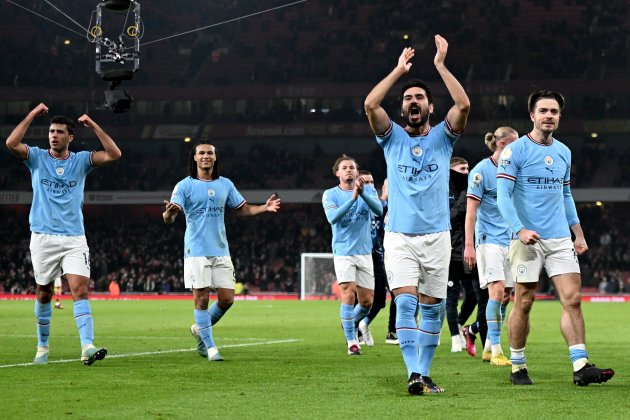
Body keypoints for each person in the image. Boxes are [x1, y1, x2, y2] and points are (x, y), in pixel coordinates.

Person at [364, 35, 470, 394]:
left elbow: (464, 104)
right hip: (399, 236)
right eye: (408, 98)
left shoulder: (443, 138)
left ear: (430, 108)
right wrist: (398, 71)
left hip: (438, 236)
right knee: (406, 301)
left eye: (420, 98)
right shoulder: (391, 138)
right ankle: (413, 373)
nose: (413, 101)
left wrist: (440, 65)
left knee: (432, 309)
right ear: (402, 108)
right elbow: (370, 103)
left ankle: (423, 373)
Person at [497, 90, 615, 386]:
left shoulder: (564, 151)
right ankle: (518, 365)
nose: (549, 115)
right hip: (526, 239)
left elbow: (565, 195)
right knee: (524, 302)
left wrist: (578, 231)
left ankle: (581, 364)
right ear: (532, 116)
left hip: (560, 237)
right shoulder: (515, 151)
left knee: (573, 300)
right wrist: (519, 229)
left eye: (554, 111)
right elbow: (502, 196)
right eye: (544, 110)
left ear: (559, 117)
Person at [6, 103, 121, 365]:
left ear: (70, 137)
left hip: (73, 238)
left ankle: (87, 347)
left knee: (80, 291)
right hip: (43, 237)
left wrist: (93, 125)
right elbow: (12, 143)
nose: (54, 135)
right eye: (51, 131)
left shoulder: (81, 160)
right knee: (44, 292)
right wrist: (33, 114)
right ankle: (42, 347)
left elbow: (114, 154)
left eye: (59, 132)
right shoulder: (36, 157)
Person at [163, 140, 280, 362]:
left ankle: (199, 329)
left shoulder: (225, 184)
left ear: (215, 158)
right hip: (196, 250)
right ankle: (211, 347)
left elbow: (241, 209)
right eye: (201, 153)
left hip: (221, 250)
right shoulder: (184, 186)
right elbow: (170, 217)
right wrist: (168, 214)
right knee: (202, 300)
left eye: (210, 153)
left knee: (227, 299)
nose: (206, 156)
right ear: (195, 158)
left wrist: (264, 208)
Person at [464, 127, 519, 367]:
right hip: (489, 240)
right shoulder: (481, 171)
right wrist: (469, 244)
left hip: (511, 239)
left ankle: (486, 347)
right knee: (495, 293)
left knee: (507, 296)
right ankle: (496, 348)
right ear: (502, 145)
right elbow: (471, 212)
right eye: (514, 146)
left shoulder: (516, 171)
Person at [322, 156, 383, 355]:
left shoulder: (369, 189)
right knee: (348, 293)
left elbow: (379, 210)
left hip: (365, 252)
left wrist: (363, 194)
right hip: (343, 252)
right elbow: (332, 218)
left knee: (366, 302)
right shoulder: (330, 195)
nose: (349, 170)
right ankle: (351, 342)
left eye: (352, 168)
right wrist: (353, 198)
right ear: (337, 173)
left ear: (357, 173)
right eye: (344, 168)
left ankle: (348, 323)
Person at [355, 174, 397, 346]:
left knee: (380, 300)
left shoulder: (382, 205)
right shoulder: (356, 204)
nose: (370, 184)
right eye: (366, 182)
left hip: (377, 255)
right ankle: (353, 333)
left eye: (373, 181)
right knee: (359, 298)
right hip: (359, 254)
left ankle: (363, 324)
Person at [443, 157, 480, 354]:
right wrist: (462, 203)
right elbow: (447, 217)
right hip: (448, 250)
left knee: (473, 295)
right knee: (451, 296)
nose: (466, 172)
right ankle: (455, 338)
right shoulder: (443, 190)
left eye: (468, 168)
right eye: (462, 168)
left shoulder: (472, 190)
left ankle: (458, 325)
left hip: (469, 250)